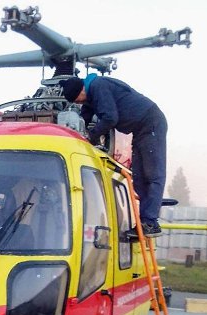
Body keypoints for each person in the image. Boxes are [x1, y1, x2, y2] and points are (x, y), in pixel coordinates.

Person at [60, 74, 167, 238]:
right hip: (139, 130)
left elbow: (110, 118)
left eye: (77, 100)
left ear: (81, 90)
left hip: (150, 124)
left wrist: (91, 136)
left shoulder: (99, 86)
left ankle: (150, 222)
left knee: (152, 175)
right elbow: (85, 115)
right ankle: (144, 222)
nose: (79, 103)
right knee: (138, 178)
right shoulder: (90, 96)